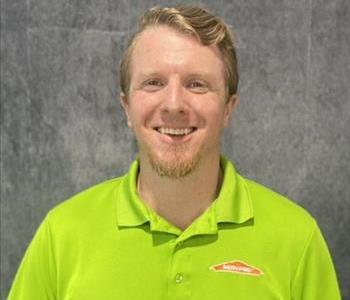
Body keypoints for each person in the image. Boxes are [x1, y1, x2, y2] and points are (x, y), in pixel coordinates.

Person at [8, 5, 341, 300]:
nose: (174, 105)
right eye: (153, 82)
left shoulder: (297, 238)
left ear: (228, 108)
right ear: (127, 106)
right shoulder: (62, 234)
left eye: (196, 84)